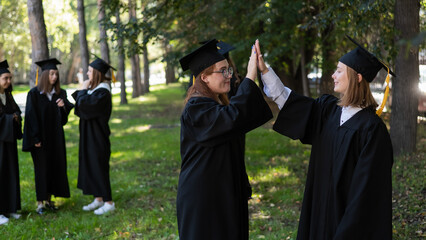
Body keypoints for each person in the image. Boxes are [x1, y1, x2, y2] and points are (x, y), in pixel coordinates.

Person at [256, 36, 394, 239]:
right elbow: (291, 103)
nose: (333, 75)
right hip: (318, 211)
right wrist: (265, 71)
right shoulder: (328, 110)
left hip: (347, 222)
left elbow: (368, 192)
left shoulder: (372, 130)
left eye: (339, 70)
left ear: (357, 77)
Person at [177, 39, 273, 239]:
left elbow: (237, 120)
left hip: (222, 191)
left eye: (229, 70)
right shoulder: (196, 109)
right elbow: (234, 117)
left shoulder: (215, 105)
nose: (230, 76)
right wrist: (250, 75)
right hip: (204, 197)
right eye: (223, 71)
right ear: (204, 77)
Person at [22, 58, 74, 215]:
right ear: (44, 75)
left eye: (56, 74)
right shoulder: (34, 94)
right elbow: (31, 117)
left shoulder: (61, 93)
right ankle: (40, 203)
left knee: (54, 168)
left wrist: (63, 108)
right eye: (51, 74)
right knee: (41, 170)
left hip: (56, 139)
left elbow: (63, 121)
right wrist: (36, 138)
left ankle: (50, 200)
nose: (54, 77)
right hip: (40, 140)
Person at [72, 57, 115, 215]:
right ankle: (98, 198)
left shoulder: (102, 92)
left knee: (99, 167)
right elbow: (80, 106)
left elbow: (84, 105)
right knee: (92, 165)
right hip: (90, 136)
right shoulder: (95, 91)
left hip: (98, 137)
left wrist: (83, 89)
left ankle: (109, 202)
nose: (87, 74)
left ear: (96, 73)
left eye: (90, 71)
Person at [0, 60, 22, 225]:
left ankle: (10, 208)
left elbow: (16, 111)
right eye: (5, 78)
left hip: (8, 142)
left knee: (10, 172)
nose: (8, 81)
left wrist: (15, 117)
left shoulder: (7, 95)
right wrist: (10, 118)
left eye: (9, 78)